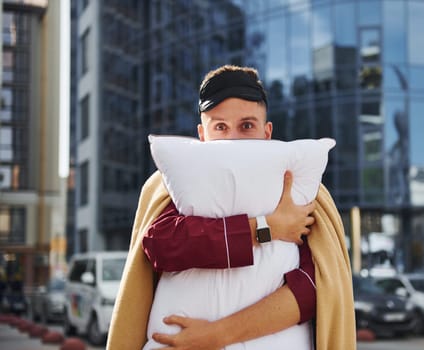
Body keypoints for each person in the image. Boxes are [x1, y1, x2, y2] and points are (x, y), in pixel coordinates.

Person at [107, 65, 355, 350]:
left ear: (267, 132)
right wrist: (266, 228)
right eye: (220, 127)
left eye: (246, 126)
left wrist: (217, 336)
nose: (233, 138)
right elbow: (161, 246)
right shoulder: (173, 187)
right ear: (202, 134)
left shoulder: (303, 190)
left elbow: (315, 287)